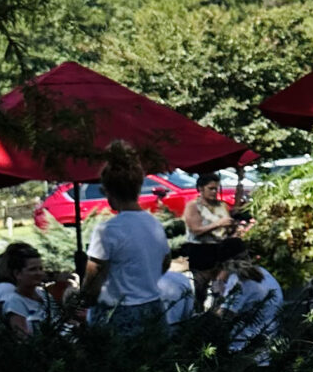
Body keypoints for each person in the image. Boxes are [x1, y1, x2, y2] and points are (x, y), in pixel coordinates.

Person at [79, 144, 171, 331]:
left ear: (109, 191)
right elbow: (165, 262)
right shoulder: (153, 223)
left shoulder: (107, 230)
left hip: (119, 312)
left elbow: (94, 275)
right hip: (153, 307)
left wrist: (83, 298)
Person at [0, 243, 53, 338]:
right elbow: (21, 334)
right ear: (16, 272)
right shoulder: (10, 292)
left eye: (40, 268)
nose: (39, 273)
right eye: (32, 269)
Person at [181, 169, 238, 305]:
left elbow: (228, 225)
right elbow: (195, 230)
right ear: (201, 188)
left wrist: (232, 227)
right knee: (201, 286)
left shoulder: (221, 205)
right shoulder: (193, 206)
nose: (214, 192)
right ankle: (199, 309)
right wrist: (218, 223)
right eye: (211, 189)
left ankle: (217, 310)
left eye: (216, 189)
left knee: (219, 284)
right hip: (201, 249)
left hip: (220, 248)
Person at [214, 253, 284, 355]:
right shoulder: (261, 272)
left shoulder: (238, 279)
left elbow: (221, 318)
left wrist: (218, 294)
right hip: (268, 341)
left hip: (243, 348)